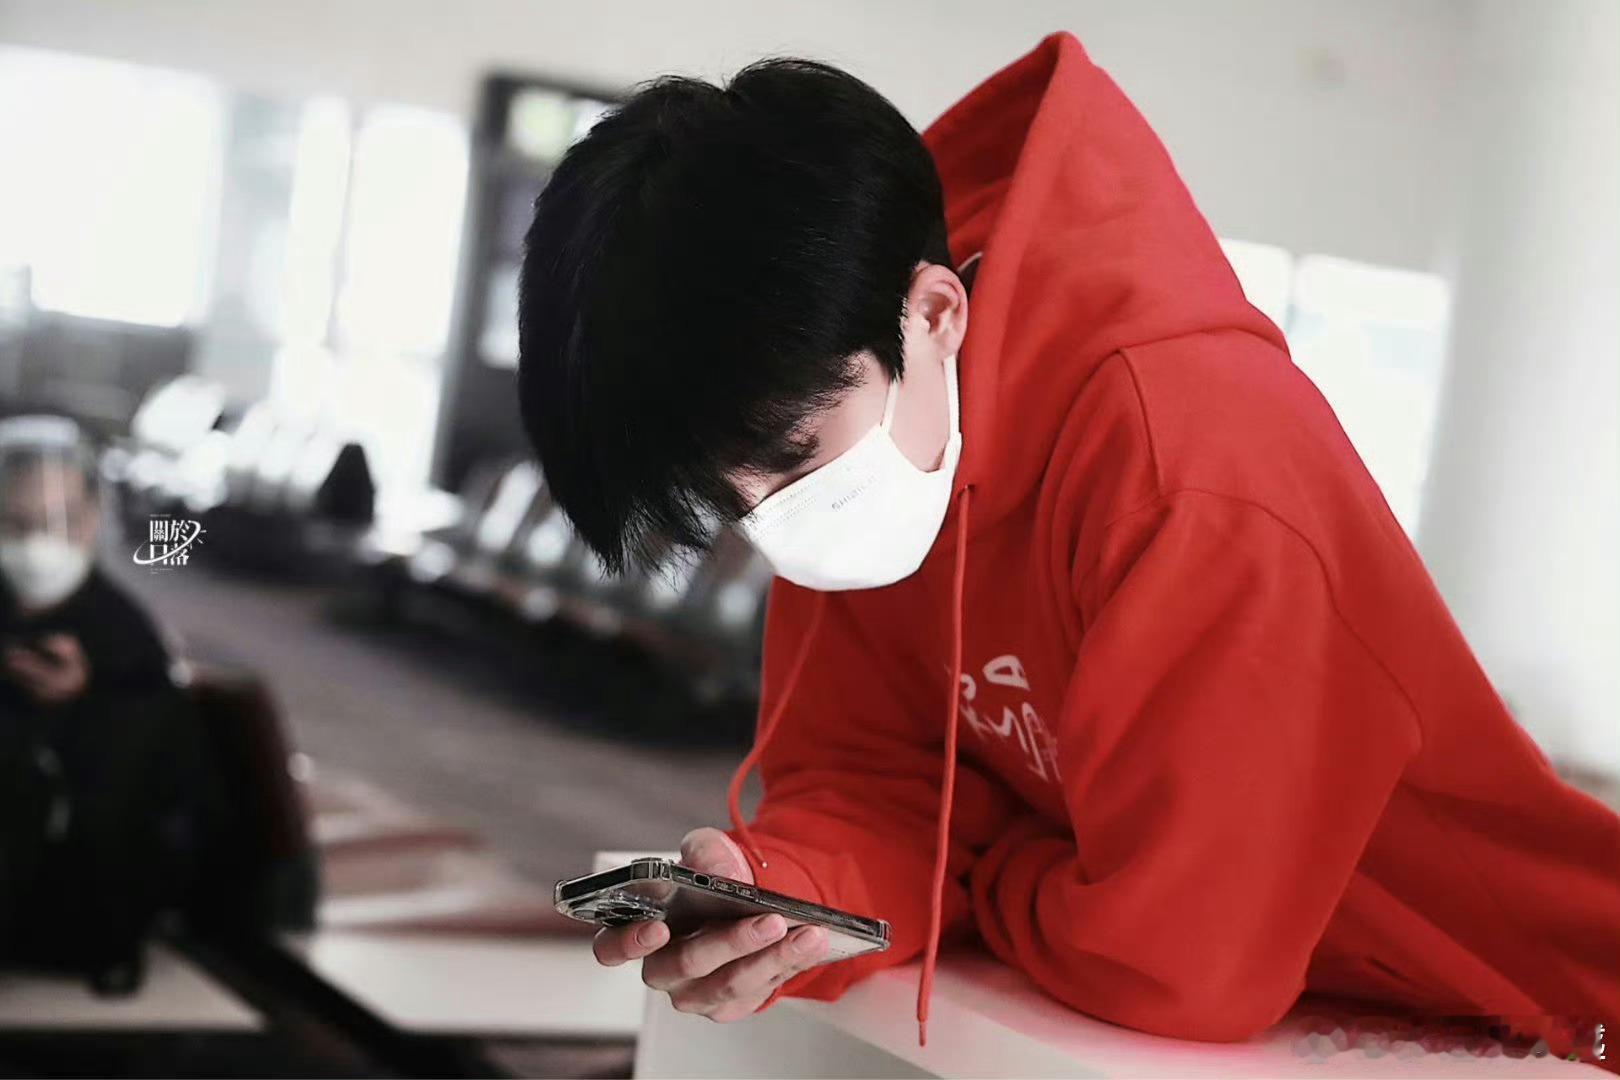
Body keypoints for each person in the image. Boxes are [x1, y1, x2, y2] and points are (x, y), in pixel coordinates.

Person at [517, 30, 1620, 1067]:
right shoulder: (878, 430)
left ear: (934, 316)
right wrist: (795, 895)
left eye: (794, 459)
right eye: (728, 497)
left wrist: (981, 873)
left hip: (1539, 1015)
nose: (771, 516)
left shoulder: (1197, 468)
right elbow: (874, 784)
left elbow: (1180, 966)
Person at [0, 415, 221, 993]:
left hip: (71, 913)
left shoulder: (126, 644)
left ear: (93, 520)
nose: (37, 544)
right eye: (15, 524)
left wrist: (80, 706)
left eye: (59, 523)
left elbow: (148, 800)